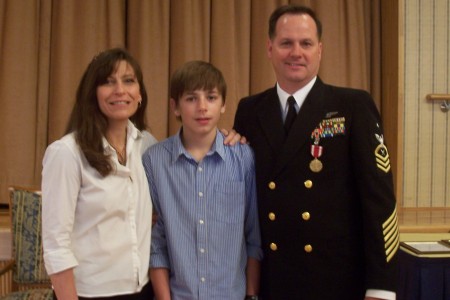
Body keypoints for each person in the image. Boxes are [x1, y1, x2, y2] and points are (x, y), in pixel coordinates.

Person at [233, 5, 399, 300]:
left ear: (319, 50)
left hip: (336, 282)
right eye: (286, 43)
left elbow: (380, 204)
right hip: (272, 282)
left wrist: (381, 287)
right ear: (270, 48)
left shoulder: (353, 106)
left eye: (306, 43)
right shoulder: (250, 110)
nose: (296, 52)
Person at [142, 60, 263, 300]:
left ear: (223, 105)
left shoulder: (243, 157)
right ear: (175, 107)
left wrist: (251, 295)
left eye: (211, 97)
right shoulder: (154, 161)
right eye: (191, 99)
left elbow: (253, 236)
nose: (202, 107)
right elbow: (156, 242)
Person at [41, 48, 156, 299]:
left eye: (128, 81)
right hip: (89, 293)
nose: (119, 90)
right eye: (107, 82)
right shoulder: (67, 153)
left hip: (143, 290)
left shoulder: (146, 145)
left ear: (139, 94)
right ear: (92, 93)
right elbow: (55, 244)